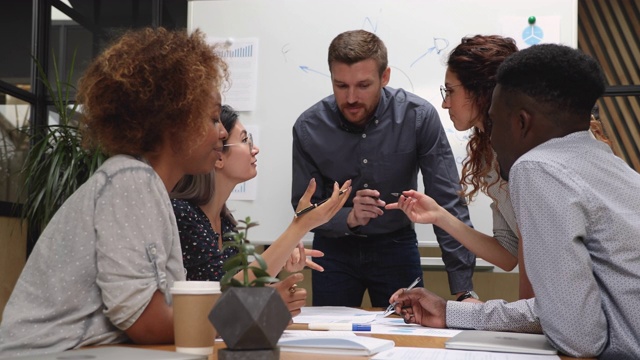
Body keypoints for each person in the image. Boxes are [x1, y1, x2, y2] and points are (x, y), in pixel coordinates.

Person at [0, 28, 349, 357]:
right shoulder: (130, 180)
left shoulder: (149, 188)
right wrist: (257, 309)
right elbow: (150, 325)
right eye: (213, 119)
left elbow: (168, 314)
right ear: (175, 120)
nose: (218, 135)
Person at [388, 44, 640, 359]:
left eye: (496, 121)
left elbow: (579, 338)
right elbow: (567, 312)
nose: (490, 138)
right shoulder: (609, 164)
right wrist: (452, 312)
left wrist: (458, 313)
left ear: (521, 122)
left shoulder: (536, 168)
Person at [291, 29, 476, 307]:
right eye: (341, 86)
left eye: (363, 85)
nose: (351, 97)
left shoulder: (418, 117)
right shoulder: (308, 127)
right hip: (334, 250)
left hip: (396, 247)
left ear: (385, 77)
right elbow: (303, 208)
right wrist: (348, 217)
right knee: (332, 343)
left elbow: (447, 200)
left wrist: (464, 289)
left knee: (407, 339)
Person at [171, 105, 341, 317]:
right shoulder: (183, 215)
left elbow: (240, 287)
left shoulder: (226, 223)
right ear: (219, 157)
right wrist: (301, 226)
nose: (254, 149)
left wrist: (278, 278)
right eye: (244, 140)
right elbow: (222, 299)